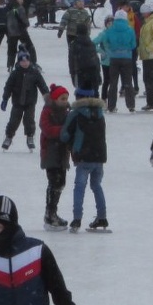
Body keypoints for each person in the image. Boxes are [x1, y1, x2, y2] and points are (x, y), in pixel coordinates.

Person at [60, 88, 107, 231]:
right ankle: (102, 217)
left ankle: (77, 219)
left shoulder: (75, 114)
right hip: (99, 156)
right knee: (96, 186)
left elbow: (64, 135)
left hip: (83, 157)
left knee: (79, 187)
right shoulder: (100, 114)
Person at [38, 86, 72, 228]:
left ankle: (52, 212)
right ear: (55, 99)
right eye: (62, 99)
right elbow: (46, 128)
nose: (65, 101)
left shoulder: (67, 112)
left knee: (61, 182)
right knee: (54, 183)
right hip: (50, 153)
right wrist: (63, 130)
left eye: (66, 99)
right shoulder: (47, 111)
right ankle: (50, 214)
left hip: (62, 153)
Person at [1, 50, 48, 151]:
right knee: (13, 121)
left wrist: (47, 98)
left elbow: (42, 86)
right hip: (17, 102)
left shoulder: (34, 72)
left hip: (30, 102)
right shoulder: (15, 73)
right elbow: (8, 86)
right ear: (19, 62)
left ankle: (30, 136)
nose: (25, 63)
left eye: (26, 61)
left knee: (29, 120)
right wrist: (5, 98)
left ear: (29, 61)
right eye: (22, 61)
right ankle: (8, 137)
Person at [136, 0, 153, 110]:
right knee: (147, 78)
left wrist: (148, 48)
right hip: (147, 55)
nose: (142, 15)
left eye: (144, 13)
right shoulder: (148, 21)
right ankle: (150, 102)